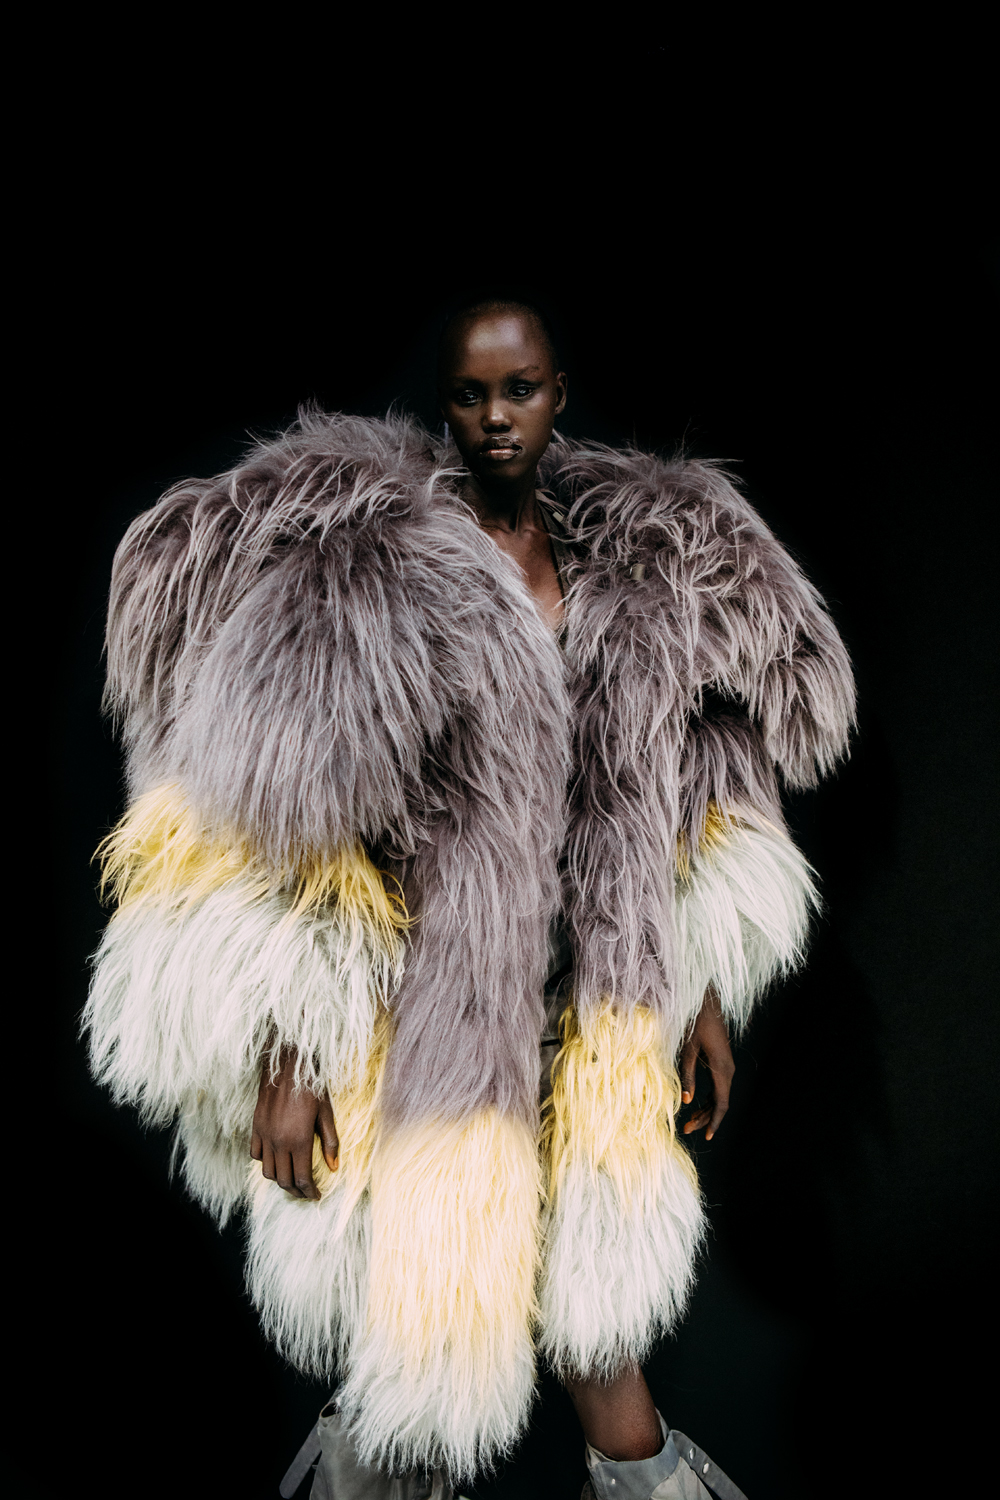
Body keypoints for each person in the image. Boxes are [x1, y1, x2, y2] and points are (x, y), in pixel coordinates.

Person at [85, 298, 854, 1499]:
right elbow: (302, 831)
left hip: (592, 1017)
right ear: (444, 404)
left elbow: (687, 799)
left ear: (557, 394)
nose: (497, 417)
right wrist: (289, 1053)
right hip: (429, 1030)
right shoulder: (383, 577)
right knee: (424, 1364)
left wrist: (703, 988)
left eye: (520, 390)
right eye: (471, 394)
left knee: (602, 1345)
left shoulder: (636, 579)